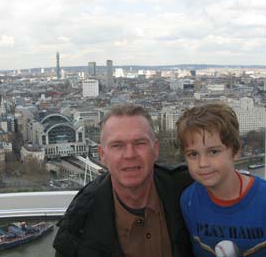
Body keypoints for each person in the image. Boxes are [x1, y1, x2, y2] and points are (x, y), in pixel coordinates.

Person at [53, 103, 194, 256]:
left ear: (155, 149)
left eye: (140, 143)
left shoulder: (190, 191)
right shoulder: (78, 223)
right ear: (102, 155)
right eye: (117, 145)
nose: (129, 155)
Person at [176, 103, 266, 257]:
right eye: (193, 154)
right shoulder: (188, 200)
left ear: (236, 151)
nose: (203, 163)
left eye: (213, 152)